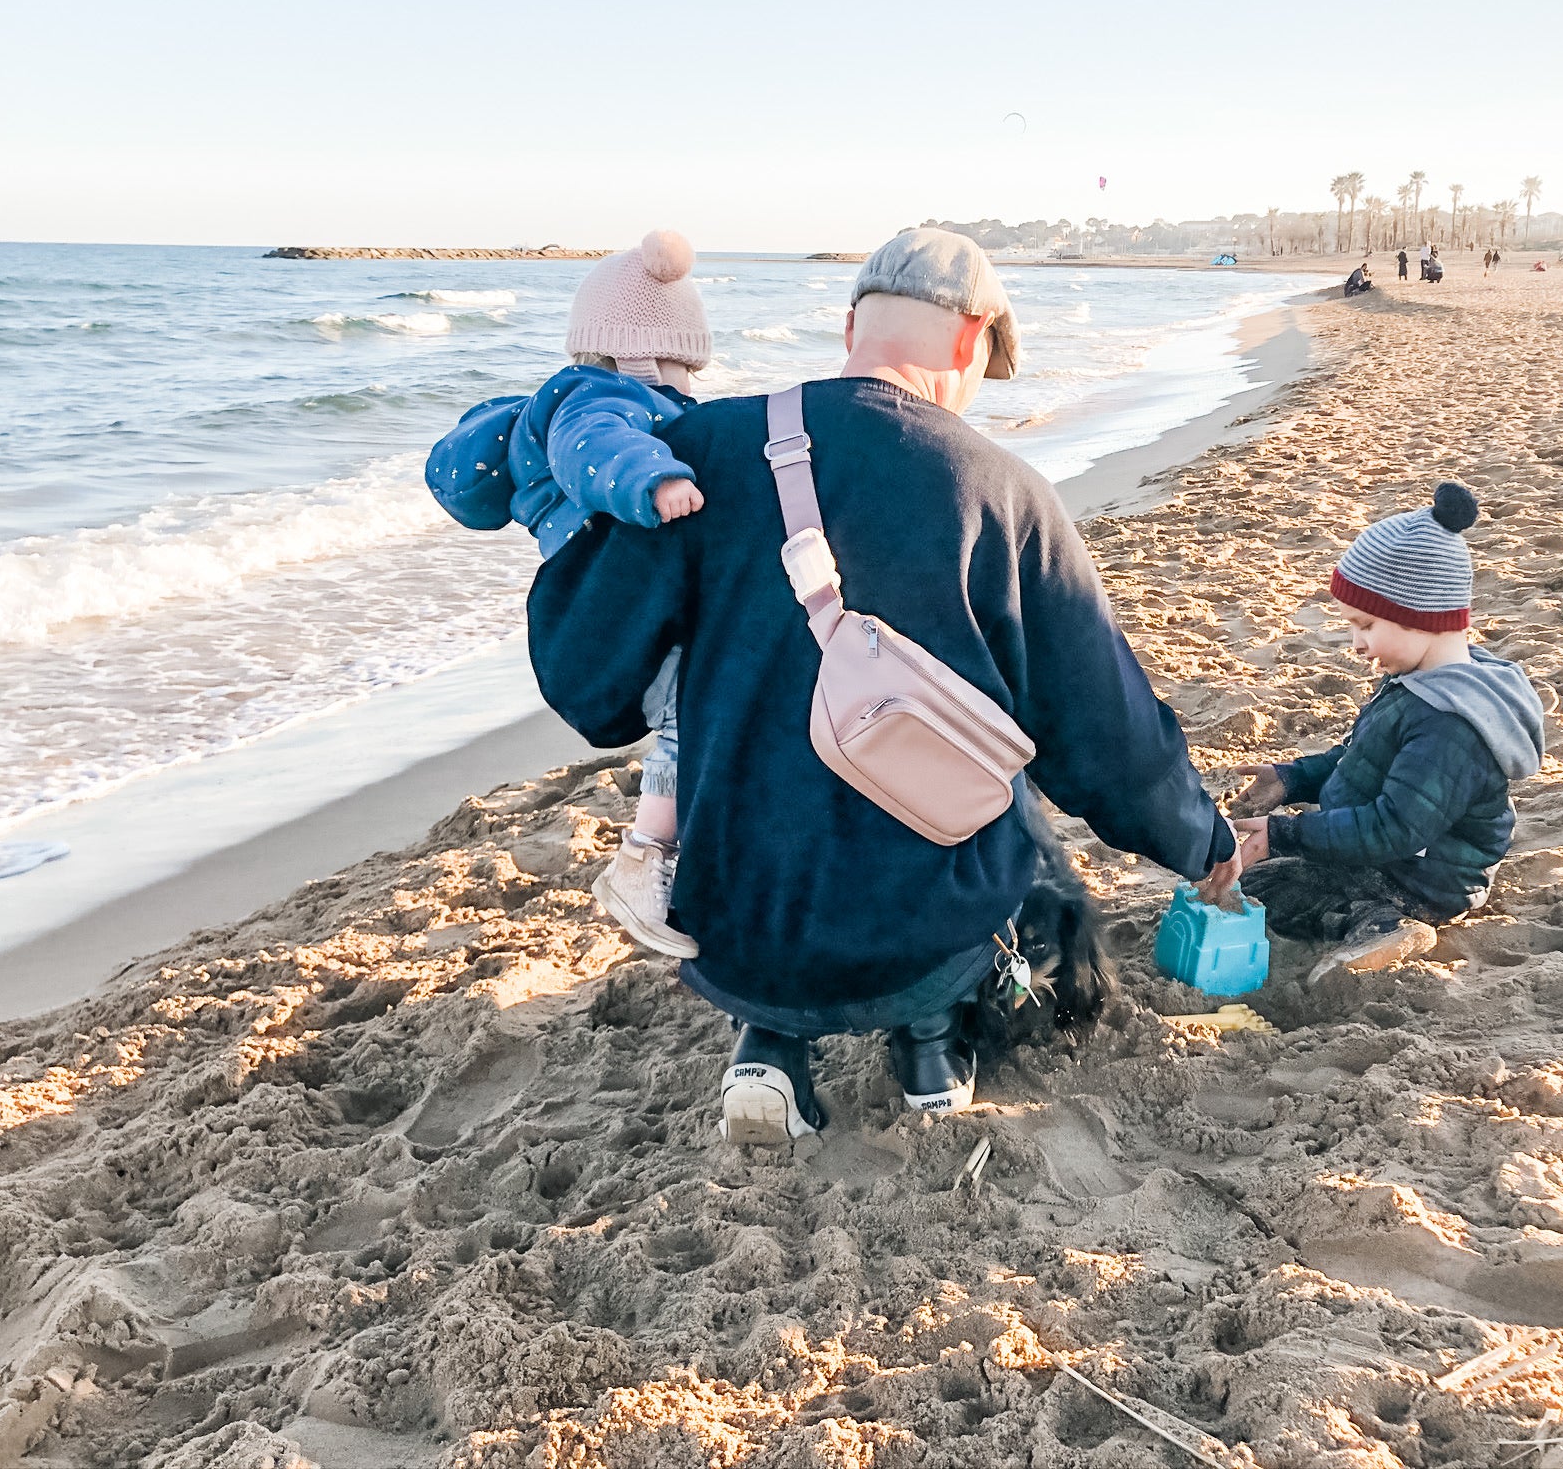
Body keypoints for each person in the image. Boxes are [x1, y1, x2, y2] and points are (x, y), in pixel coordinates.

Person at [528, 228, 1237, 1144]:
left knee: (753, 761)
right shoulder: (1006, 491)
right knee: (1008, 801)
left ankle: (767, 1048)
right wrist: (1201, 838)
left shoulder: (694, 452)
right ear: (970, 335)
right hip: (928, 932)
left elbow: (587, 682)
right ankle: (931, 1050)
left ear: (851, 322)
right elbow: (1106, 734)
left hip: (740, 926)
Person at [425, 230, 713, 960]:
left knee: (694, 712)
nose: (688, 387)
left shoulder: (577, 397)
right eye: (684, 367)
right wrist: (654, 480)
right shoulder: (600, 399)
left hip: (587, 606)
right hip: (605, 603)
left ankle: (677, 849)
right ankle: (643, 858)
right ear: (650, 354)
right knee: (689, 710)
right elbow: (595, 447)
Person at [1227, 483, 1543, 979]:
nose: (1356, 644)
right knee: (1253, 884)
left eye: (1367, 625)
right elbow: (1358, 759)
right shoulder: (1415, 682)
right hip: (1394, 855)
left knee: (1271, 896)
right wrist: (1291, 779)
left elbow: (1394, 829)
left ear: (1422, 617)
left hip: (1422, 877)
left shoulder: (1450, 726)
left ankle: (1387, 927)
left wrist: (1286, 833)